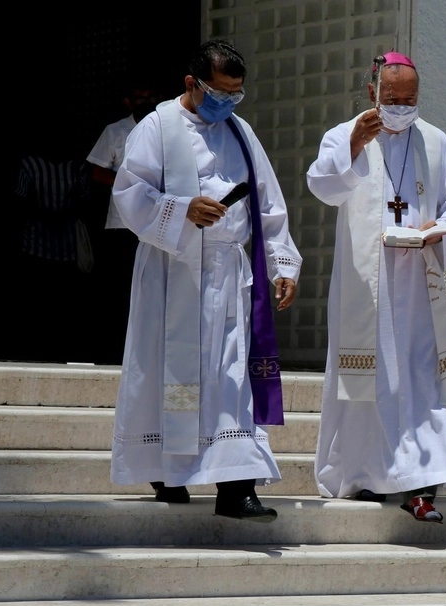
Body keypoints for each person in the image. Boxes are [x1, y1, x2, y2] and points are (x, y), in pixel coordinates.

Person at [110, 40, 300, 521]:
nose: (229, 103)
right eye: (220, 93)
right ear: (191, 84)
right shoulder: (157, 126)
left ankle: (236, 489)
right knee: (165, 374)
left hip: (227, 274)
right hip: (172, 273)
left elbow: (268, 202)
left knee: (232, 378)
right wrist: (180, 210)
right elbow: (129, 193)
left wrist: (282, 265)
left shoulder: (240, 132)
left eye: (237, 94)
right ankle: (167, 471)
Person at [308, 52, 446, 523]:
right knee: (372, 380)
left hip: (417, 286)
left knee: (417, 380)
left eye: (410, 99)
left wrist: (440, 228)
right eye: (392, 98)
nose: (401, 107)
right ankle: (364, 473)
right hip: (368, 285)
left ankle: (421, 480)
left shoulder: (437, 142)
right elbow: (322, 186)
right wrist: (355, 148)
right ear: (372, 94)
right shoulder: (345, 134)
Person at [87, 84, 161, 363]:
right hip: (121, 224)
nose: (146, 100)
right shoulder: (115, 131)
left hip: (157, 225)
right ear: (128, 101)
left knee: (152, 290)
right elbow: (96, 171)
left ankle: (146, 354)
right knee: (120, 290)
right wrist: (131, 186)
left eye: (150, 96)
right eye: (140, 96)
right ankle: (113, 353)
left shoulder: (165, 131)